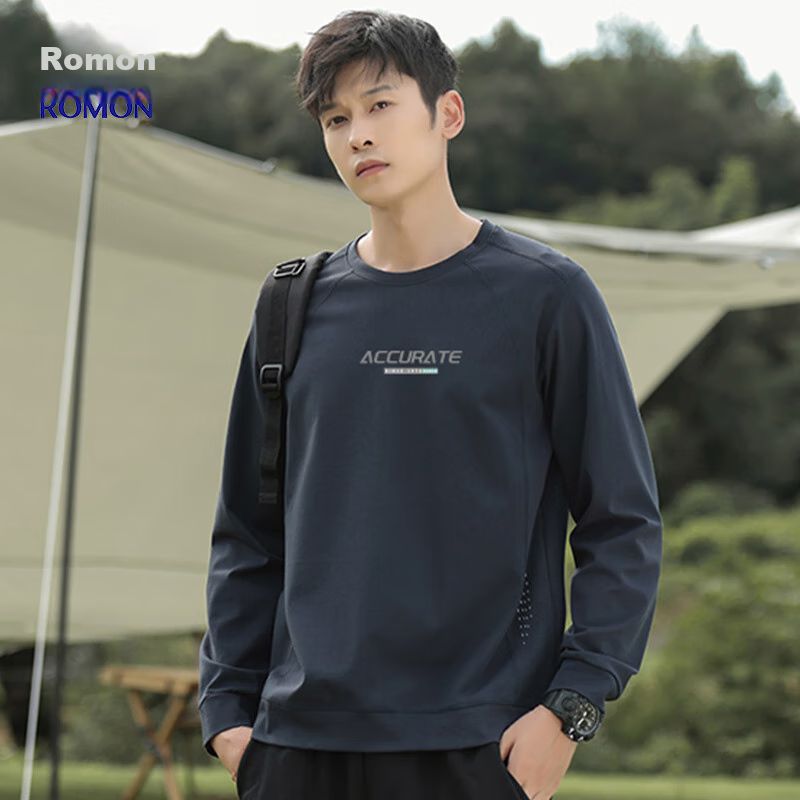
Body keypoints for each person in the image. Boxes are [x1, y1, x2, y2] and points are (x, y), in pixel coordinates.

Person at [197, 9, 663, 800]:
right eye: (335, 119)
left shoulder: (546, 296)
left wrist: (572, 707)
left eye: (380, 105)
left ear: (448, 113)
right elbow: (247, 528)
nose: (358, 136)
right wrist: (226, 714)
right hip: (294, 745)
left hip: (478, 742)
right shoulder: (289, 306)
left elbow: (621, 520)